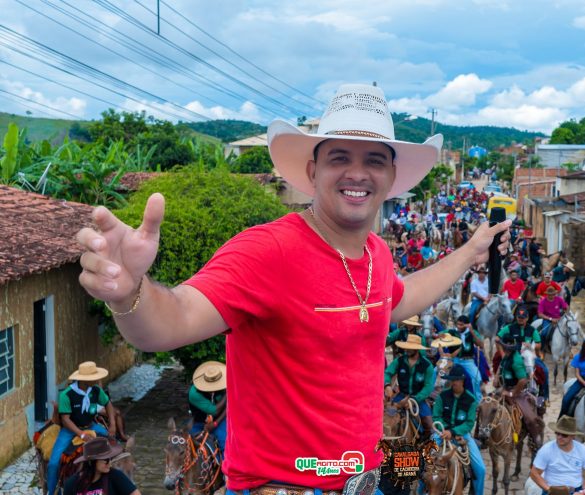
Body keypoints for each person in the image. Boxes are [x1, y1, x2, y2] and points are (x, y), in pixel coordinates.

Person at [76, 83, 511, 495]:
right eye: (340, 157)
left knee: (435, 461)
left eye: (374, 160)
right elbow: (171, 322)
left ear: (391, 175)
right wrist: (130, 292)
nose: (357, 173)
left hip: (363, 481)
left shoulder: (377, 253)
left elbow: (397, 301)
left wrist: (472, 250)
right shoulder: (268, 250)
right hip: (283, 486)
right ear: (313, 169)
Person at [49, 362, 116, 495]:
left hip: (91, 425)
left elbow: (108, 404)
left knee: (116, 448)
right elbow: (65, 419)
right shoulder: (66, 395)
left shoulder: (96, 390)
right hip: (70, 430)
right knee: (54, 462)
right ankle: (52, 491)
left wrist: (112, 424)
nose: (97, 380)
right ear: (84, 380)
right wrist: (81, 434)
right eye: (93, 377)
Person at [432, 364, 485, 495]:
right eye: (451, 379)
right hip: (441, 433)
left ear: (462, 381)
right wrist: (445, 430)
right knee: (426, 462)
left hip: (463, 435)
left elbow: (469, 423)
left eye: (455, 379)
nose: (452, 382)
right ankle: (422, 490)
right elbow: (436, 416)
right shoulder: (442, 396)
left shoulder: (471, 400)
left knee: (481, 470)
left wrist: (454, 432)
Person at [384, 334, 436, 439]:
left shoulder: (427, 365)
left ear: (416, 349)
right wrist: (387, 385)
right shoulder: (399, 361)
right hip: (401, 395)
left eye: (410, 348)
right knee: (384, 415)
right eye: (407, 347)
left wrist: (414, 399)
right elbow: (387, 373)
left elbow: (428, 387)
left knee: (429, 425)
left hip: (418, 399)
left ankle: (425, 448)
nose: (407, 349)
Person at [529, 416, 585, 495]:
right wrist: (549, 489)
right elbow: (534, 473)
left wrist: (584, 491)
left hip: (576, 491)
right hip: (551, 490)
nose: (559, 437)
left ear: (573, 436)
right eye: (557, 433)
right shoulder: (546, 449)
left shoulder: (583, 450)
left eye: (564, 435)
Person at [495, 334, 543, 443]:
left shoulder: (516, 360)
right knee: (485, 406)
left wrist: (512, 394)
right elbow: (501, 366)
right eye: (504, 346)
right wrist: (497, 376)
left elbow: (523, 380)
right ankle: (480, 436)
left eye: (507, 347)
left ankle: (536, 440)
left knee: (530, 419)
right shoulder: (507, 356)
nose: (505, 349)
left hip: (518, 392)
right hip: (504, 388)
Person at [497, 307, 550, 402]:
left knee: (544, 371)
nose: (520, 319)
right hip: (511, 354)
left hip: (528, 355)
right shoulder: (509, 327)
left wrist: (531, 346)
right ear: (516, 317)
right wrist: (502, 353)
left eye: (523, 317)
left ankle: (543, 396)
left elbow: (538, 343)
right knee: (499, 365)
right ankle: (499, 385)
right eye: (519, 317)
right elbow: (497, 338)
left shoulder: (532, 330)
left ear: (527, 318)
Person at [62, 437, 140, 495]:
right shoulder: (71, 484)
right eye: (106, 460)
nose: (109, 463)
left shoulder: (115, 476)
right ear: (91, 462)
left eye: (110, 459)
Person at [188, 361, 227, 455]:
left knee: (224, 443)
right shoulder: (194, 393)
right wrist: (228, 393)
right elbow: (214, 410)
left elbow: (229, 406)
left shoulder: (225, 386)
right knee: (189, 444)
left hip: (220, 420)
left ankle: (225, 468)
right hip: (198, 421)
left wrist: (215, 423)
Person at [448, 315, 484, 402]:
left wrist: (471, 331)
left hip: (468, 361)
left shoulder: (472, 332)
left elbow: (481, 345)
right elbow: (441, 336)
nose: (459, 327)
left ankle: (478, 401)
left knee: (477, 378)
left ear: (467, 325)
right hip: (455, 360)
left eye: (462, 325)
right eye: (458, 324)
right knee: (436, 371)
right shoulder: (452, 332)